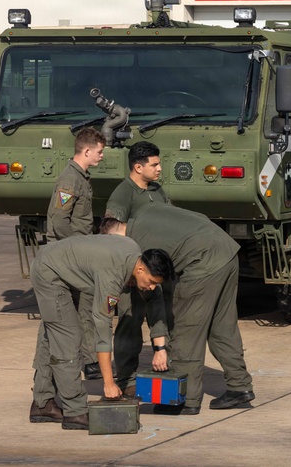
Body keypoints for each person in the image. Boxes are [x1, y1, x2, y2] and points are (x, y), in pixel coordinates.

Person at [103, 204, 254, 415]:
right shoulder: (147, 212)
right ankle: (240, 386)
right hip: (227, 251)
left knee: (186, 329)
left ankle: (186, 399)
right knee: (222, 325)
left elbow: (155, 296)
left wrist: (160, 348)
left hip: (202, 263)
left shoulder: (139, 247)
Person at [29, 234, 174, 430]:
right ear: (140, 269)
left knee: (54, 334)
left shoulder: (135, 255)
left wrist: (160, 348)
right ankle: (75, 410)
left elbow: (152, 297)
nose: (152, 286)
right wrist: (108, 383)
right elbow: (103, 329)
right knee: (68, 338)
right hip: (50, 272)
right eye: (150, 281)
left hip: (62, 266)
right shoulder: (112, 276)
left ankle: (42, 402)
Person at [103, 141, 172, 395]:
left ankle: (164, 365)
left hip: (154, 269)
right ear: (137, 166)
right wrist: (128, 270)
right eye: (154, 165)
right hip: (132, 272)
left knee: (162, 316)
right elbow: (111, 231)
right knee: (129, 324)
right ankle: (126, 380)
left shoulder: (157, 190)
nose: (159, 169)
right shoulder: (123, 193)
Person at [45, 126, 106, 380]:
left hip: (74, 253)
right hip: (68, 256)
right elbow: (59, 222)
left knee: (84, 305)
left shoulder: (80, 177)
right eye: (100, 152)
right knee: (83, 305)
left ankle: (90, 360)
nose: (102, 156)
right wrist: (78, 251)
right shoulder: (70, 180)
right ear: (87, 150)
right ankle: (89, 361)